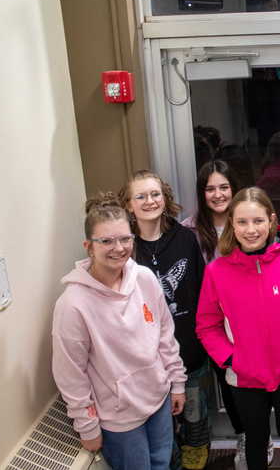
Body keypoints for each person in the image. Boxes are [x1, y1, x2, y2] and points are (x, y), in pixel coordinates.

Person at [52, 193, 187, 470]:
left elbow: (164, 335)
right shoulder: (73, 305)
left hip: (158, 400)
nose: (118, 248)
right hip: (119, 418)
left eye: (125, 239)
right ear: (88, 246)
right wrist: (87, 425)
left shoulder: (145, 279)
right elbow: (71, 374)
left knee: (163, 464)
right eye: (106, 241)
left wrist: (176, 382)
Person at [197, 187, 280, 470]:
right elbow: (207, 325)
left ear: (271, 221)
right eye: (243, 222)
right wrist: (231, 359)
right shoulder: (216, 272)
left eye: (258, 221)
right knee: (256, 440)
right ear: (231, 225)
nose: (251, 229)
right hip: (244, 377)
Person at [181, 161, 273, 469]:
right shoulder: (189, 230)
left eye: (224, 187)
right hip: (213, 322)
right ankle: (242, 434)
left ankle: (258, 435)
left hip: (246, 320)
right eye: (210, 189)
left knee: (250, 385)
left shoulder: (249, 221)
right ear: (201, 193)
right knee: (227, 382)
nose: (218, 194)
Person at [120, 170, 208, 470]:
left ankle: (197, 455)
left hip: (189, 348)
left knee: (194, 412)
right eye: (140, 196)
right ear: (129, 205)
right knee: (162, 428)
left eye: (155, 194)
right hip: (148, 358)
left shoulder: (185, 238)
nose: (149, 201)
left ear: (165, 197)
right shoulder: (126, 248)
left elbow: (201, 289)